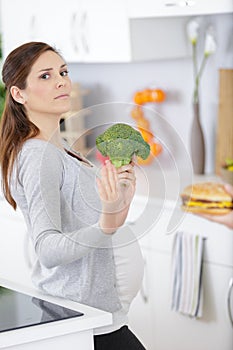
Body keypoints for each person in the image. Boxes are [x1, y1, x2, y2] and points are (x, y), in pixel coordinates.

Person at [0, 42, 146, 350]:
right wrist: (106, 225)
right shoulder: (39, 155)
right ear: (18, 93)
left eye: (63, 72)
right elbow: (48, 248)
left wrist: (118, 205)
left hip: (100, 320)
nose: (61, 81)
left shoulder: (58, 148)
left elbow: (87, 219)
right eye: (45, 76)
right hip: (86, 323)